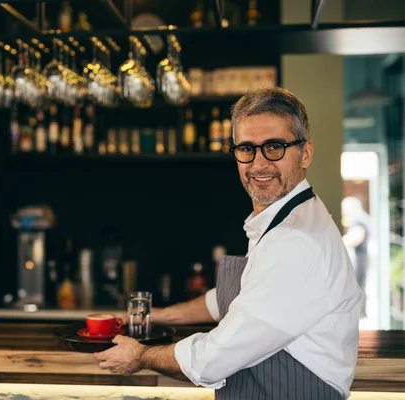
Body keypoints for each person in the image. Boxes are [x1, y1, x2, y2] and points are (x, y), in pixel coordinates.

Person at [94, 87, 363, 399]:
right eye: (246, 148)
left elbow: (213, 360)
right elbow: (230, 298)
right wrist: (160, 316)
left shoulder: (295, 241)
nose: (259, 164)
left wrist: (140, 355)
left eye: (274, 147)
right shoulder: (285, 220)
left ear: (305, 153)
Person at [342, 196, 370, 318]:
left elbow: (357, 237)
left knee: (358, 285)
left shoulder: (358, 219)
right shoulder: (364, 217)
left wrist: (338, 243)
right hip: (363, 257)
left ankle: (360, 315)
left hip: (360, 258)